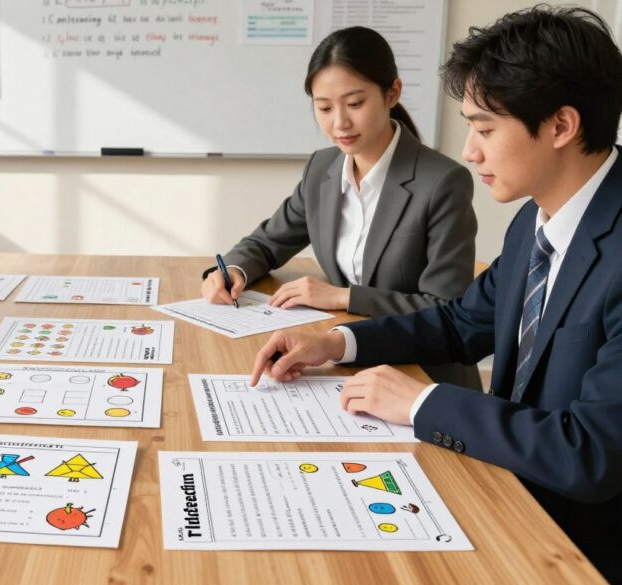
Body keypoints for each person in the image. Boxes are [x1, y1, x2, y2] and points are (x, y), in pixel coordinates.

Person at [250, 6, 622, 581]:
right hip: (508, 488)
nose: (470, 151)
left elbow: (590, 454)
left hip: (575, 547)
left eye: (485, 128)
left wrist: (420, 404)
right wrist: (336, 343)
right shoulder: (537, 222)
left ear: (560, 126)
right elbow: (458, 323)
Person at [202, 26, 480, 388]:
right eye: (324, 107)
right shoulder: (322, 168)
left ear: (392, 93)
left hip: (420, 373)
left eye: (355, 104)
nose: (339, 123)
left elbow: (446, 310)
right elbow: (268, 241)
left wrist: (343, 296)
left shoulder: (442, 182)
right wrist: (233, 270)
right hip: (346, 360)